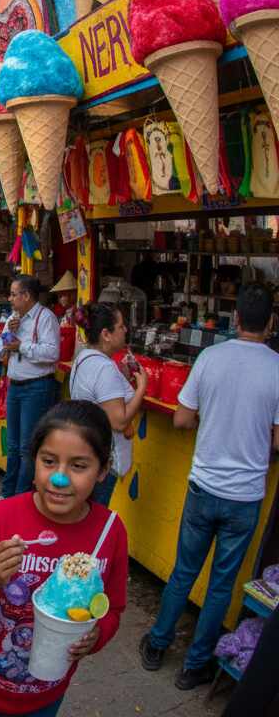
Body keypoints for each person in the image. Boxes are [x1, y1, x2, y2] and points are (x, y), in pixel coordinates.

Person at [0, 400, 128, 716]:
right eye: (49, 461)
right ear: (33, 460)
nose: (59, 478)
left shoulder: (110, 532)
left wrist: (98, 634)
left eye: (79, 466)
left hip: (45, 699)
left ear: (103, 470)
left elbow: (113, 608)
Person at [140, 282, 279, 690]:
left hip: (203, 487)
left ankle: (157, 646)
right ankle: (194, 667)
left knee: (183, 573)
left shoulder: (209, 357)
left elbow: (182, 419)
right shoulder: (277, 367)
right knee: (221, 584)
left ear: (236, 319)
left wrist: (214, 422)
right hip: (245, 497)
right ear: (270, 322)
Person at [67, 303, 148, 506]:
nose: (126, 330)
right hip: (102, 455)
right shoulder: (104, 368)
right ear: (106, 334)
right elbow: (119, 422)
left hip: (86, 448)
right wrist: (141, 387)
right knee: (94, 516)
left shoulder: (83, 358)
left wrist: (121, 379)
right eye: (121, 326)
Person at [0, 276, 61, 503]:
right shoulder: (13, 319)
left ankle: (20, 500)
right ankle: (6, 495)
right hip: (15, 386)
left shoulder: (45, 318)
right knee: (12, 445)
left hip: (37, 387)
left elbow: (52, 353)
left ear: (27, 296)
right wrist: (8, 335)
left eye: (13, 294)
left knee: (26, 447)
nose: (10, 299)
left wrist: (21, 345)